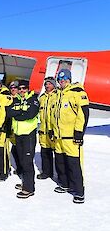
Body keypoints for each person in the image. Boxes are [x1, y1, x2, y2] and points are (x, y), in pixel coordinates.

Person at [51, 69, 89, 204]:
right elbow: (53, 115)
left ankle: (79, 191)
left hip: (71, 138)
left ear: (69, 80)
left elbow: (83, 114)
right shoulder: (57, 95)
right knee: (61, 163)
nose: (62, 82)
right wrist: (51, 130)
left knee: (74, 164)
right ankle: (64, 184)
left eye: (65, 80)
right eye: (60, 80)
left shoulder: (77, 93)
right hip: (58, 137)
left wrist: (79, 132)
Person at [7, 80, 39, 199]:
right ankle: (25, 183)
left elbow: (30, 114)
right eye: (19, 89)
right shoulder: (16, 100)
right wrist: (21, 112)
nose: (21, 91)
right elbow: (9, 112)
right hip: (18, 135)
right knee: (21, 161)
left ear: (28, 89)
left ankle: (29, 188)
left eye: (24, 88)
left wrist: (18, 113)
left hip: (28, 136)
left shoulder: (33, 100)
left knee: (27, 162)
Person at [37, 77, 59, 180]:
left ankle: (60, 175)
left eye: (49, 84)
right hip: (43, 132)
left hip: (53, 131)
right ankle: (46, 172)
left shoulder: (58, 96)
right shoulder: (42, 98)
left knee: (58, 155)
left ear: (54, 85)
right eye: (46, 84)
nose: (47, 86)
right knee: (45, 153)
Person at [7, 80, 21, 175]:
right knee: (10, 149)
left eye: (15, 88)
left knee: (17, 150)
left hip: (17, 128)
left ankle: (21, 168)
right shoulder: (8, 98)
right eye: (11, 88)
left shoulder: (20, 99)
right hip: (8, 127)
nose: (13, 89)